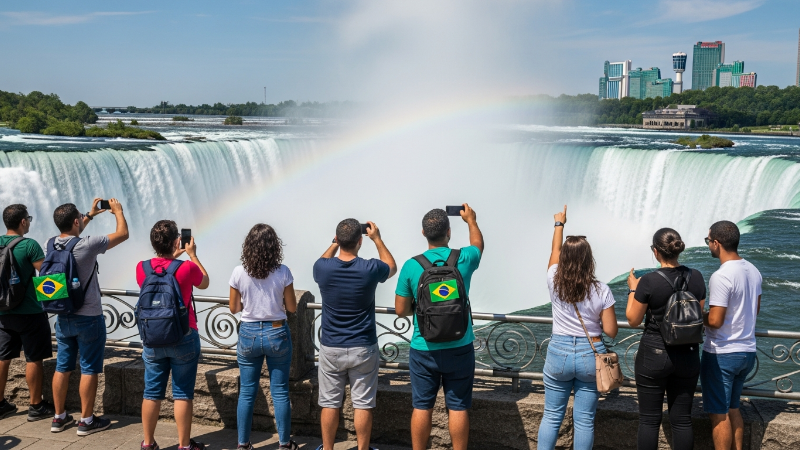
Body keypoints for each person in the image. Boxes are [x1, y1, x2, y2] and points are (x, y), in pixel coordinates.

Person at [394, 205, 483, 450]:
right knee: (458, 406)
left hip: (424, 347)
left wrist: (421, 309)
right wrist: (471, 221)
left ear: (423, 233)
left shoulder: (412, 266)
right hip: (460, 347)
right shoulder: (464, 258)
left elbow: (401, 310)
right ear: (449, 232)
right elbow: (478, 245)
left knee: (422, 406)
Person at [537, 205, 618, 450]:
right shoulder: (601, 289)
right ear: (588, 259)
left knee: (551, 416)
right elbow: (612, 330)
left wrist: (559, 224)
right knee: (584, 420)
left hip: (559, 352)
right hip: (590, 354)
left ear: (563, 259)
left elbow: (554, 250)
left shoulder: (553, 280)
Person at [313, 219, 397, 450]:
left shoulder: (322, 268)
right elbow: (391, 266)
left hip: (331, 346)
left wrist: (334, 242)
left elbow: (322, 259)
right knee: (363, 404)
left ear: (338, 240)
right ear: (361, 241)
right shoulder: (370, 268)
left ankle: (327, 448)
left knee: (329, 403)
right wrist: (377, 239)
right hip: (363, 346)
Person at [50, 199, 128, 435]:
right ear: (76, 221)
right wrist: (118, 212)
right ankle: (86, 421)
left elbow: (70, 231)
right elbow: (122, 234)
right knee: (89, 369)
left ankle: (59, 417)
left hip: (63, 315)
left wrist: (90, 215)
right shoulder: (89, 244)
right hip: (89, 317)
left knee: (62, 367)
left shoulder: (49, 244)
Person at [626, 228, 706, 450]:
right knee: (682, 420)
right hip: (688, 355)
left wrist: (633, 290)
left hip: (654, 353)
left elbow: (633, 319)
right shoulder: (697, 276)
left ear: (655, 252)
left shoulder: (649, 281)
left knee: (649, 420)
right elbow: (697, 314)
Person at [137, 220, 209, 450]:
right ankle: (184, 445)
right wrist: (192, 255)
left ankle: (148, 443)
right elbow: (205, 282)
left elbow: (158, 273)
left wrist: (171, 256)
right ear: (177, 241)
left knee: (151, 393)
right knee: (182, 393)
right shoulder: (186, 268)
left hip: (153, 337)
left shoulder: (142, 267)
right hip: (183, 336)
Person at [229, 224, 299, 450]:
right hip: (277, 331)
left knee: (247, 391)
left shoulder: (239, 272)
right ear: (274, 247)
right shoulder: (283, 272)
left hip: (248, 333)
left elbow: (233, 308)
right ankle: (284, 444)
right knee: (279, 391)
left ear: (248, 247)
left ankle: (243, 444)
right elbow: (292, 307)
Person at [701, 221, 761, 450]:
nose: (708, 245)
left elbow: (715, 321)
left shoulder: (721, 276)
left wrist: (700, 314)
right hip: (747, 352)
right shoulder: (753, 270)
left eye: (708, 241)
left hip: (722, 353)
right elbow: (754, 310)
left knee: (719, 415)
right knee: (733, 408)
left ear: (716, 243)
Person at [0, 205, 56, 421]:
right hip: (30, 312)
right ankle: (36, 406)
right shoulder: (29, 245)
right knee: (34, 358)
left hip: (3, 312)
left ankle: (1, 404)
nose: (30, 222)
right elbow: (46, 275)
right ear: (23, 222)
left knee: (2, 357)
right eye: (28, 219)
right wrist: (61, 297)